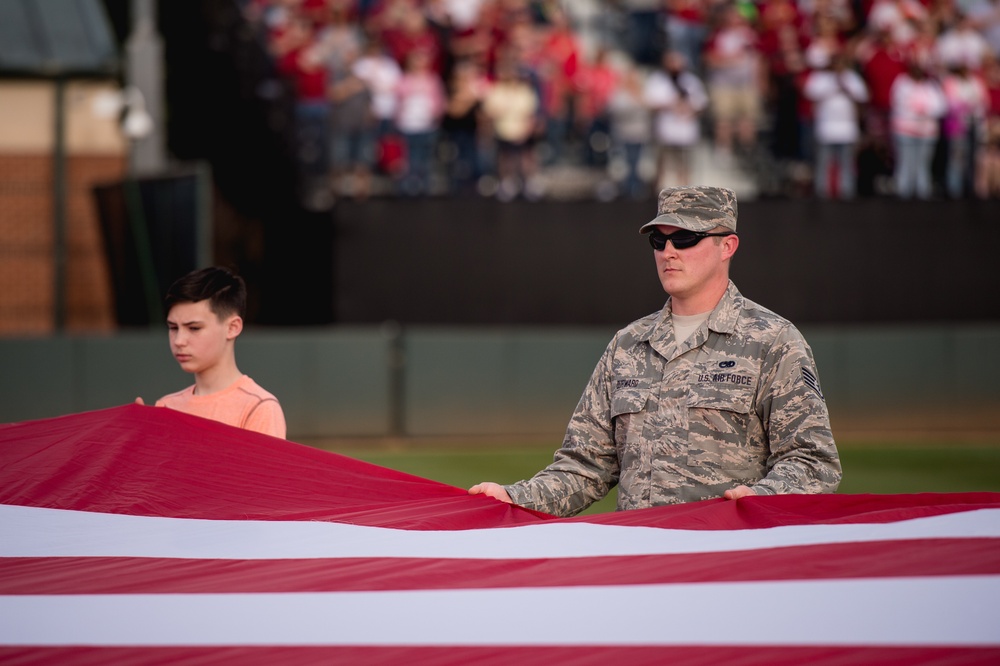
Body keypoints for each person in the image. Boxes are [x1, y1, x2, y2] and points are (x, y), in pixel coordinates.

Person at [469, 186, 842, 517]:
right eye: (659, 241)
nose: (668, 252)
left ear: (727, 246)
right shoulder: (628, 344)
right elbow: (585, 466)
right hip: (644, 563)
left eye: (685, 239)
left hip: (726, 561)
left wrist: (759, 497)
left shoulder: (773, 340)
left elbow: (813, 461)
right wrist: (514, 497)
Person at [136, 267, 287, 440]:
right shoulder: (166, 406)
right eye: (173, 328)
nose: (179, 340)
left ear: (232, 327)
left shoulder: (258, 407)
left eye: (194, 328)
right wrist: (141, 439)